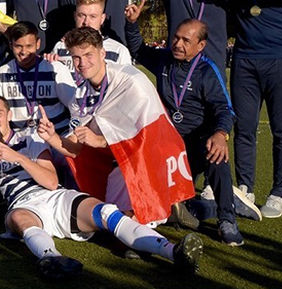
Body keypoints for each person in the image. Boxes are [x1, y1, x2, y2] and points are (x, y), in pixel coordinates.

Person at [0, 94, 203, 278]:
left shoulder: (30, 139)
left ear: (8, 115)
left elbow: (51, 181)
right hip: (23, 205)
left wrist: (20, 158)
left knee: (107, 212)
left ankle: (174, 252)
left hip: (55, 197)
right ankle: (52, 260)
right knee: (20, 220)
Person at [126, 6, 258, 244]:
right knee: (174, 213)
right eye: (176, 37)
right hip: (168, 148)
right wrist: (132, 23)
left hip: (198, 145)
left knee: (217, 155)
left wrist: (220, 134)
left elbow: (224, 109)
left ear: (200, 46)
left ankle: (227, 218)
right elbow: (138, 48)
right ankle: (218, 203)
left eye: (186, 40)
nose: (178, 44)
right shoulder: (164, 60)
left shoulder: (207, 72)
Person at [50, 26, 195, 224]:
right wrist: (52, 137)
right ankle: (167, 209)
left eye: (88, 55)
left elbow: (145, 137)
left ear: (102, 53)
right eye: (76, 57)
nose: (82, 63)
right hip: (120, 159)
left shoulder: (131, 81)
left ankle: (166, 204)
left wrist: (100, 141)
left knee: (130, 222)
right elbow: (76, 148)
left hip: (149, 156)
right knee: (109, 217)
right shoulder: (80, 96)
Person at [217, 0, 282, 219]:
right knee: (244, 128)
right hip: (244, 59)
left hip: (281, 58)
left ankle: (279, 191)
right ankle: (245, 188)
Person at [0, 22, 75, 135]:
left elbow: (75, 106)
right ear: (11, 45)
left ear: (38, 44)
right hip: (21, 140)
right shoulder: (2, 73)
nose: (23, 52)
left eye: (29, 46)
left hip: (57, 134)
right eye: (18, 46)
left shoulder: (54, 68)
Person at [48, 0, 131, 77]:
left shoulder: (119, 51)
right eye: (81, 15)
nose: (86, 22)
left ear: (102, 19)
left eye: (93, 16)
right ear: (75, 16)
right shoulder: (60, 47)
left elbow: (126, 85)